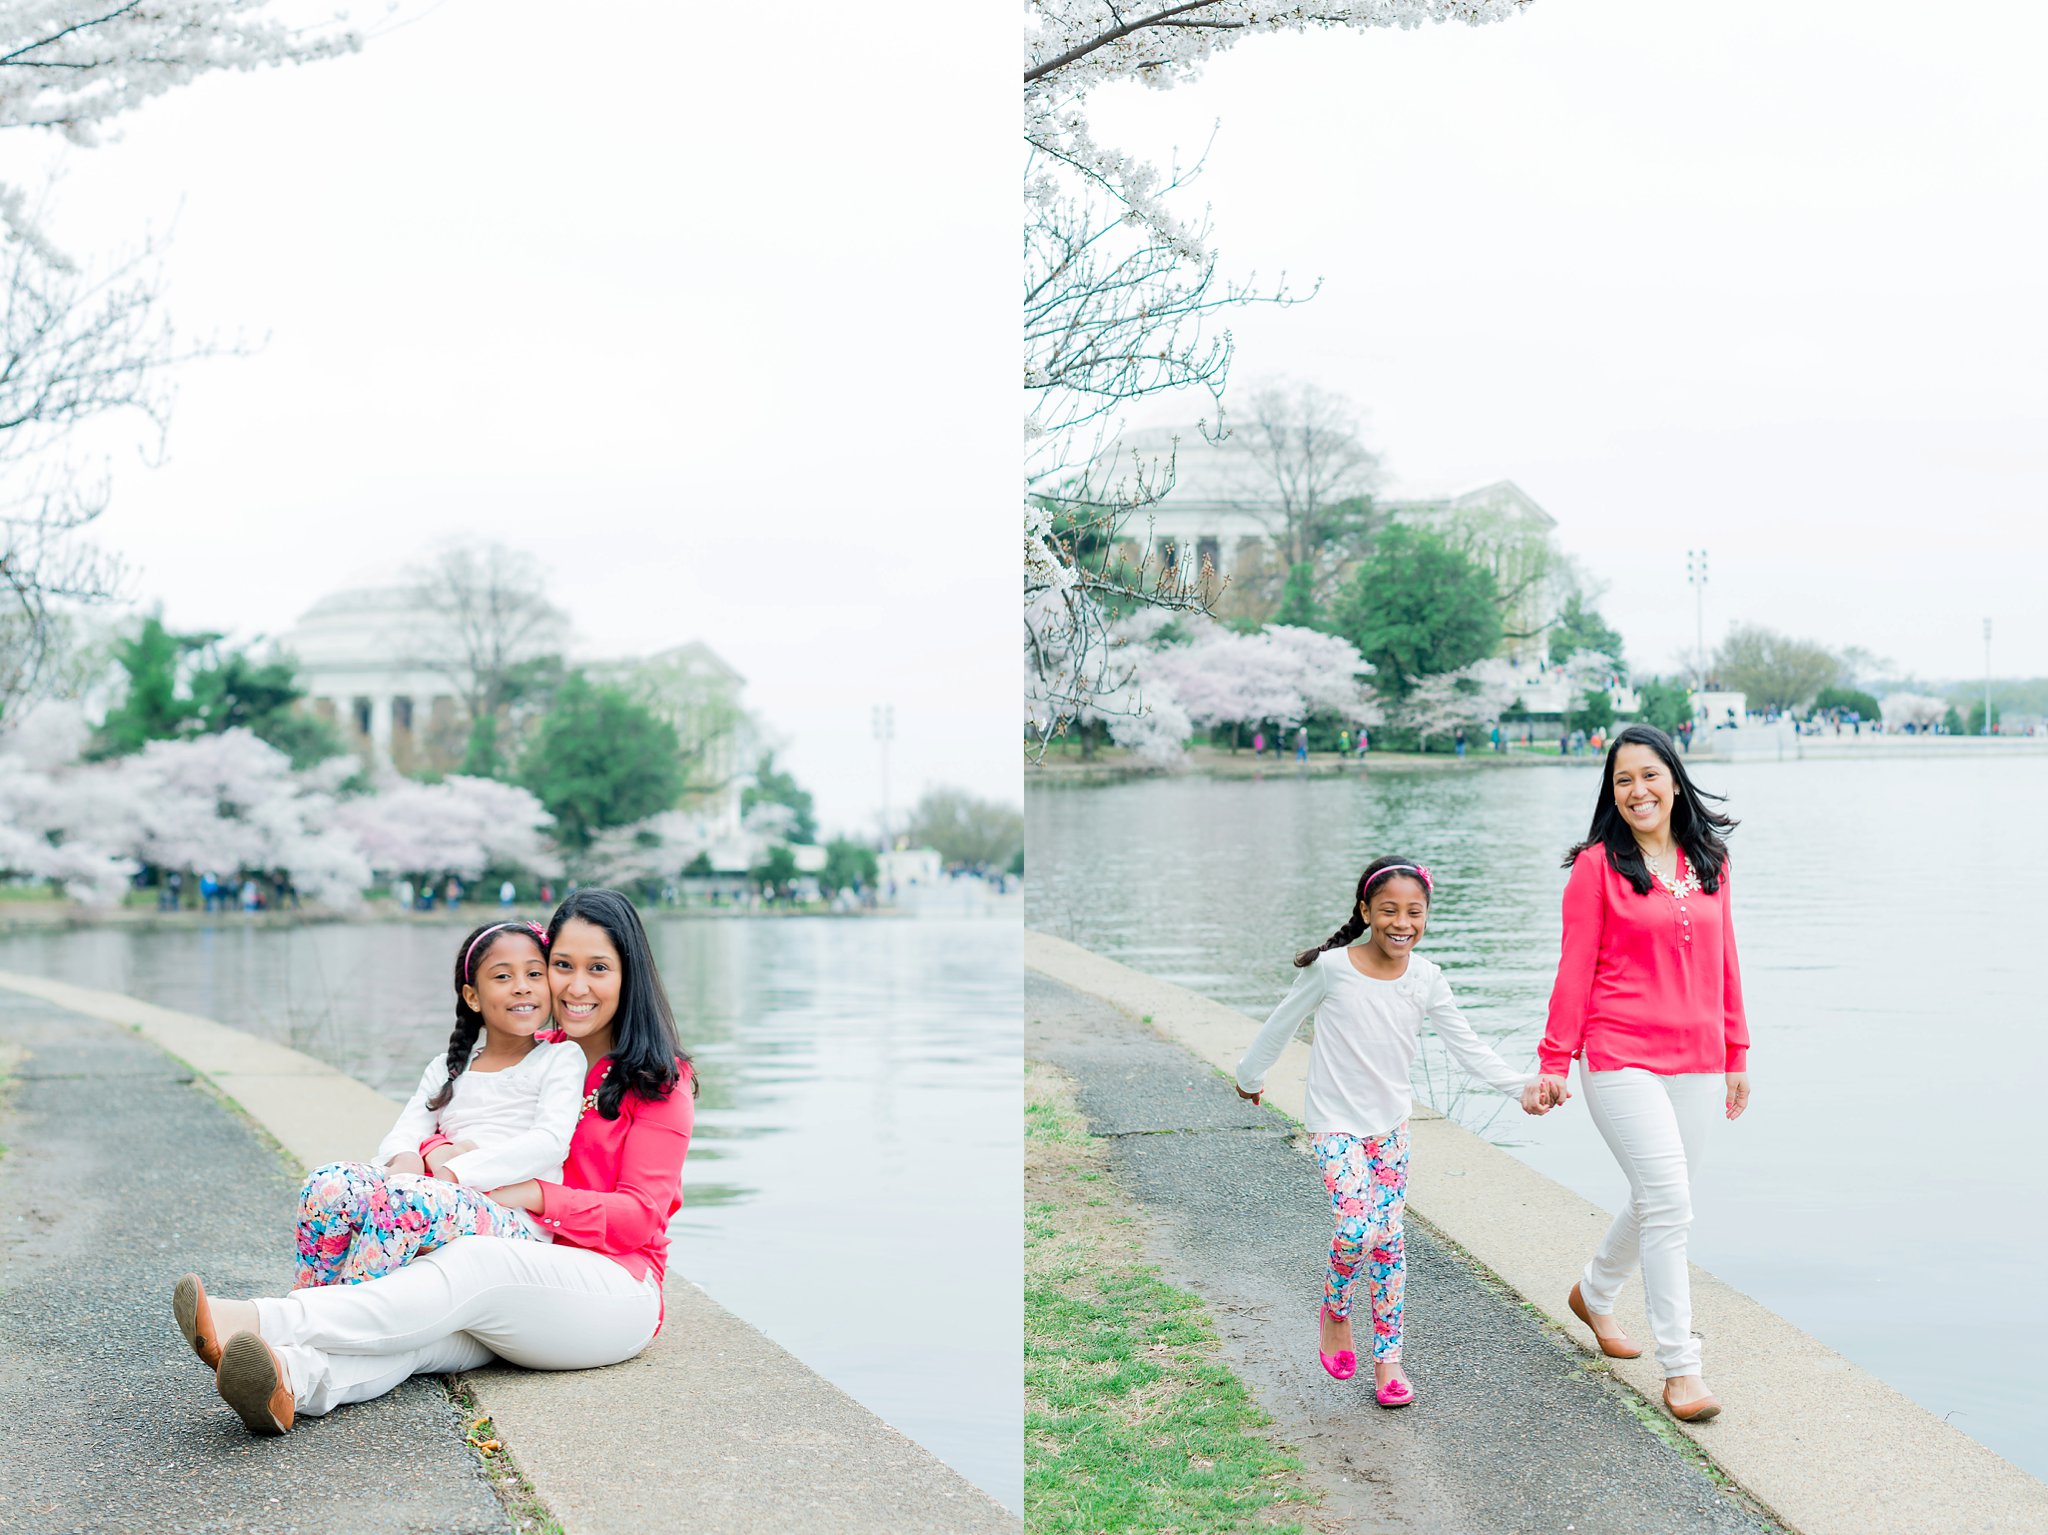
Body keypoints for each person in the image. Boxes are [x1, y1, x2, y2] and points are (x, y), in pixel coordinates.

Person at [170, 888, 695, 1436]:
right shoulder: (529, 1052)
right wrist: (436, 1153)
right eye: (562, 965)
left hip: (612, 1290)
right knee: (423, 1334)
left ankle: (260, 1319)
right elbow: (446, 1121)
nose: (576, 986)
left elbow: (640, 1218)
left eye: (599, 968)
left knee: (473, 1264)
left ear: (628, 975)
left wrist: (534, 1194)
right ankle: (290, 1380)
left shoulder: (658, 1081)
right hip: (519, 1265)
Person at [1234, 857, 1550, 1409]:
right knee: (1358, 1231)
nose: (1401, 923)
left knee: (1390, 1241)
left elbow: (1467, 1047)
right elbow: (1280, 1023)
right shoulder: (1331, 969)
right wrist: (1249, 1078)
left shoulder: (1426, 979)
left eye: (1414, 912)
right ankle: (1335, 1310)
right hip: (1334, 1124)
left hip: (1390, 1129)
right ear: (1365, 912)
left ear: (1425, 916)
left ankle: (1389, 1360)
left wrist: (1520, 1084)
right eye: (1388, 911)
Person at [1537, 723, 1749, 1424]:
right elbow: (1574, 969)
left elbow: (1726, 963)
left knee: (1664, 1194)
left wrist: (1736, 1054)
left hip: (1697, 1057)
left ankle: (1594, 1293)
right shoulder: (1597, 866)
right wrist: (1553, 1061)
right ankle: (1682, 1367)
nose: (1638, 791)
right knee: (1670, 1204)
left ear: (1674, 779)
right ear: (1612, 791)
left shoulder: (1709, 859)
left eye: (1650, 775)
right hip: (1620, 1053)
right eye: (1623, 779)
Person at [288, 920, 584, 1288]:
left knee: (405, 1198)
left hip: (512, 1219)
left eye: (534, 974)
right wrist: (407, 1159)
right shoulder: (447, 1067)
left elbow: (549, 1142)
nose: (522, 986)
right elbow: (408, 1129)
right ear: (472, 996)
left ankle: (336, 1316)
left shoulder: (560, 1058)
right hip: (433, 1194)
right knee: (331, 1183)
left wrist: (455, 1173)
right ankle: (308, 1298)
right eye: (503, 977)